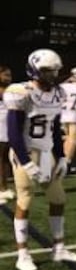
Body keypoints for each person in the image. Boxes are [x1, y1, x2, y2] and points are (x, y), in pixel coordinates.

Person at [5, 49, 76, 270]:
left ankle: (58, 248)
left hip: (48, 151)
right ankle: (22, 253)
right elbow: (13, 132)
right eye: (48, 71)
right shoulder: (21, 92)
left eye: (55, 70)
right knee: (25, 199)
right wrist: (26, 162)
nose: (53, 75)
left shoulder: (59, 93)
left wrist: (61, 157)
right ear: (34, 69)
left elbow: (56, 127)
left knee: (58, 198)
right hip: (27, 151)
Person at [0, 65, 13, 204]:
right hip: (0, 128)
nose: (8, 78)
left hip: (6, 128)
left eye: (9, 75)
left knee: (4, 160)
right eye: (5, 75)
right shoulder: (4, 91)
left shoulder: (8, 90)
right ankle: (1, 189)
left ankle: (4, 188)